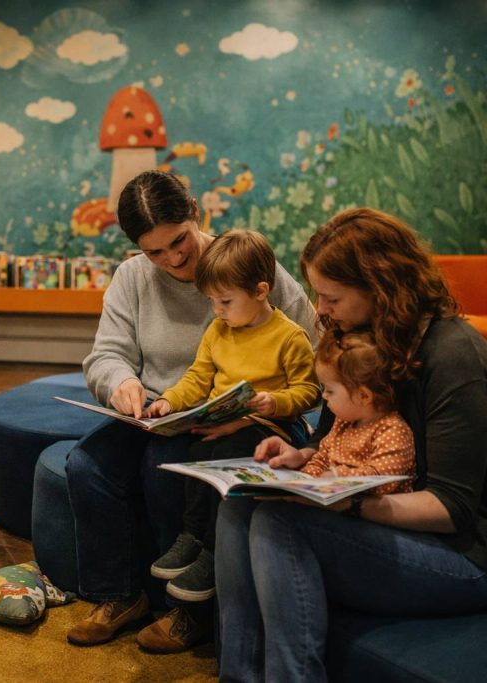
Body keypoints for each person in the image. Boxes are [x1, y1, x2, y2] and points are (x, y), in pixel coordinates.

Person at [215, 207, 487, 682]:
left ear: (380, 288)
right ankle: (238, 676)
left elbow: (452, 507)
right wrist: (299, 458)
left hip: (462, 556)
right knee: (238, 506)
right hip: (391, 522)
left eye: (331, 297)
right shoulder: (362, 341)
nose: (320, 310)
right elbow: (332, 438)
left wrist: (349, 505)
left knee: (281, 522)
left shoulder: (454, 355)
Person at [64, 171, 317, 653]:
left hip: (240, 418)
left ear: (196, 213)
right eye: (154, 251)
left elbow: (314, 348)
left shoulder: (241, 263)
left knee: (166, 472)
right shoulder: (132, 276)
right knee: (86, 466)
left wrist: (260, 411)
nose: (173, 259)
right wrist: (123, 384)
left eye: (179, 241)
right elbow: (106, 355)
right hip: (161, 407)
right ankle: (118, 596)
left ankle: (188, 612)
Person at [144, 229, 319, 608]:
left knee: (227, 451)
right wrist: (169, 402)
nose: (217, 310)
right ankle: (191, 536)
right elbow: (197, 378)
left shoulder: (290, 337)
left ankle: (210, 551)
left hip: (271, 428)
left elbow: (310, 392)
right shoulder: (218, 330)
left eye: (225, 300)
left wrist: (275, 401)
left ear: (260, 291)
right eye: (211, 301)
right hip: (225, 420)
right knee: (193, 452)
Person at [300, 328, 415, 490]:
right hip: (331, 498)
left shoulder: (392, 430)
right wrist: (306, 479)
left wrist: (336, 477)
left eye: (330, 390)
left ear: (363, 396)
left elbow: (384, 478)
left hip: (372, 509)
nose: (324, 396)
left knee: (272, 515)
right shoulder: (343, 422)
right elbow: (321, 458)